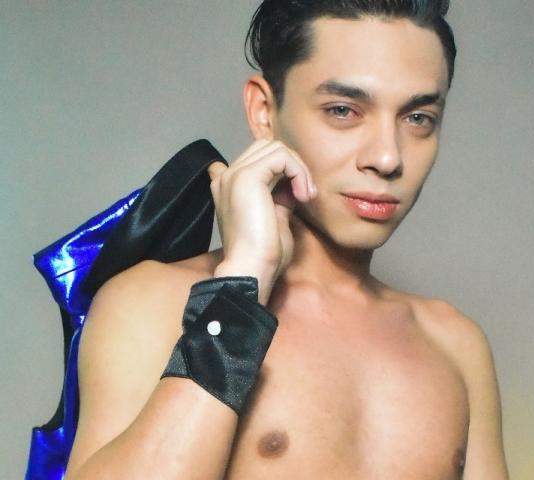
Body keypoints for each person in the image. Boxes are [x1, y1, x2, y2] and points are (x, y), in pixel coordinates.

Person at [64, 1, 508, 478]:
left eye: (418, 118)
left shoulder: (454, 344)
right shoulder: (151, 304)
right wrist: (241, 287)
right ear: (264, 111)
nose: (387, 157)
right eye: (343, 110)